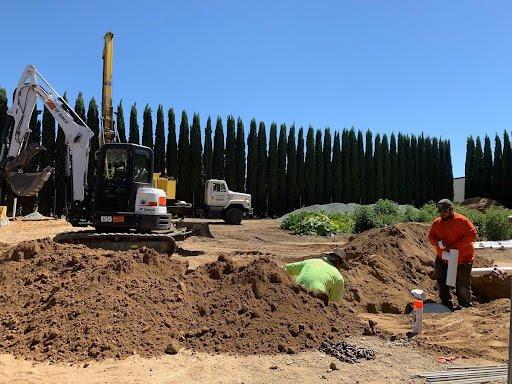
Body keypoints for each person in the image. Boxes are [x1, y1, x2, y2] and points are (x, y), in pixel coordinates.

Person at [428, 199, 477, 310]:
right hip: (443, 258)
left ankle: (465, 305)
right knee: (441, 280)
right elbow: (431, 237)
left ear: (451, 209)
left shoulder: (462, 220)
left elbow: (472, 234)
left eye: (444, 210)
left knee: (462, 284)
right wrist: (438, 243)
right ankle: (446, 303)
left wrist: (455, 247)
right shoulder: (437, 223)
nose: (442, 213)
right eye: (440, 211)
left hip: (463, 259)